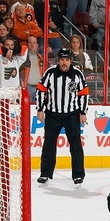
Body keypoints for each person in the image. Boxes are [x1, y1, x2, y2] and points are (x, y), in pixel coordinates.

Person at [36, 48, 89, 188]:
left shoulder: (77, 74)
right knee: (48, 144)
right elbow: (41, 89)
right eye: (62, 59)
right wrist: (40, 109)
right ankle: (45, 174)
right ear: (58, 60)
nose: (64, 63)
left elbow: (83, 93)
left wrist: (83, 112)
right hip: (53, 113)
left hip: (72, 114)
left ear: (71, 60)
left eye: (67, 60)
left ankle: (78, 176)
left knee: (76, 145)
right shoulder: (50, 72)